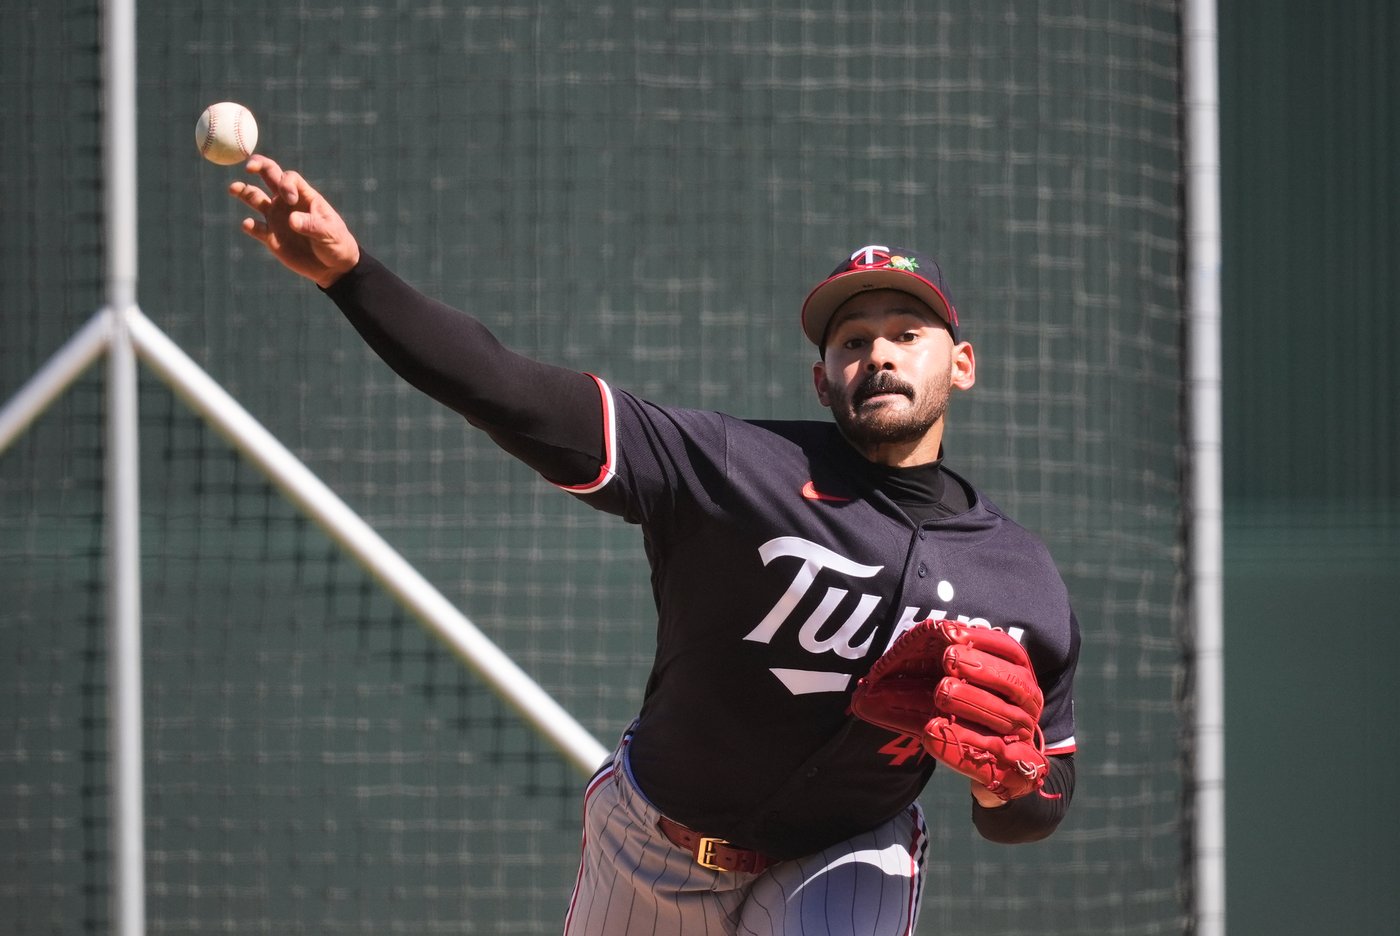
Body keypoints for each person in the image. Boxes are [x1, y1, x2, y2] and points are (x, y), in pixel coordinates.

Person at [230, 156, 1081, 936]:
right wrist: (352, 276)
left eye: (906, 333)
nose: (879, 356)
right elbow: (509, 391)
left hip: (847, 853)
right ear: (821, 380)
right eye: (852, 343)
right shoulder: (732, 465)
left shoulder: (1020, 579)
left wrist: (1008, 786)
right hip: (652, 847)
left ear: (961, 364)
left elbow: (1043, 801)